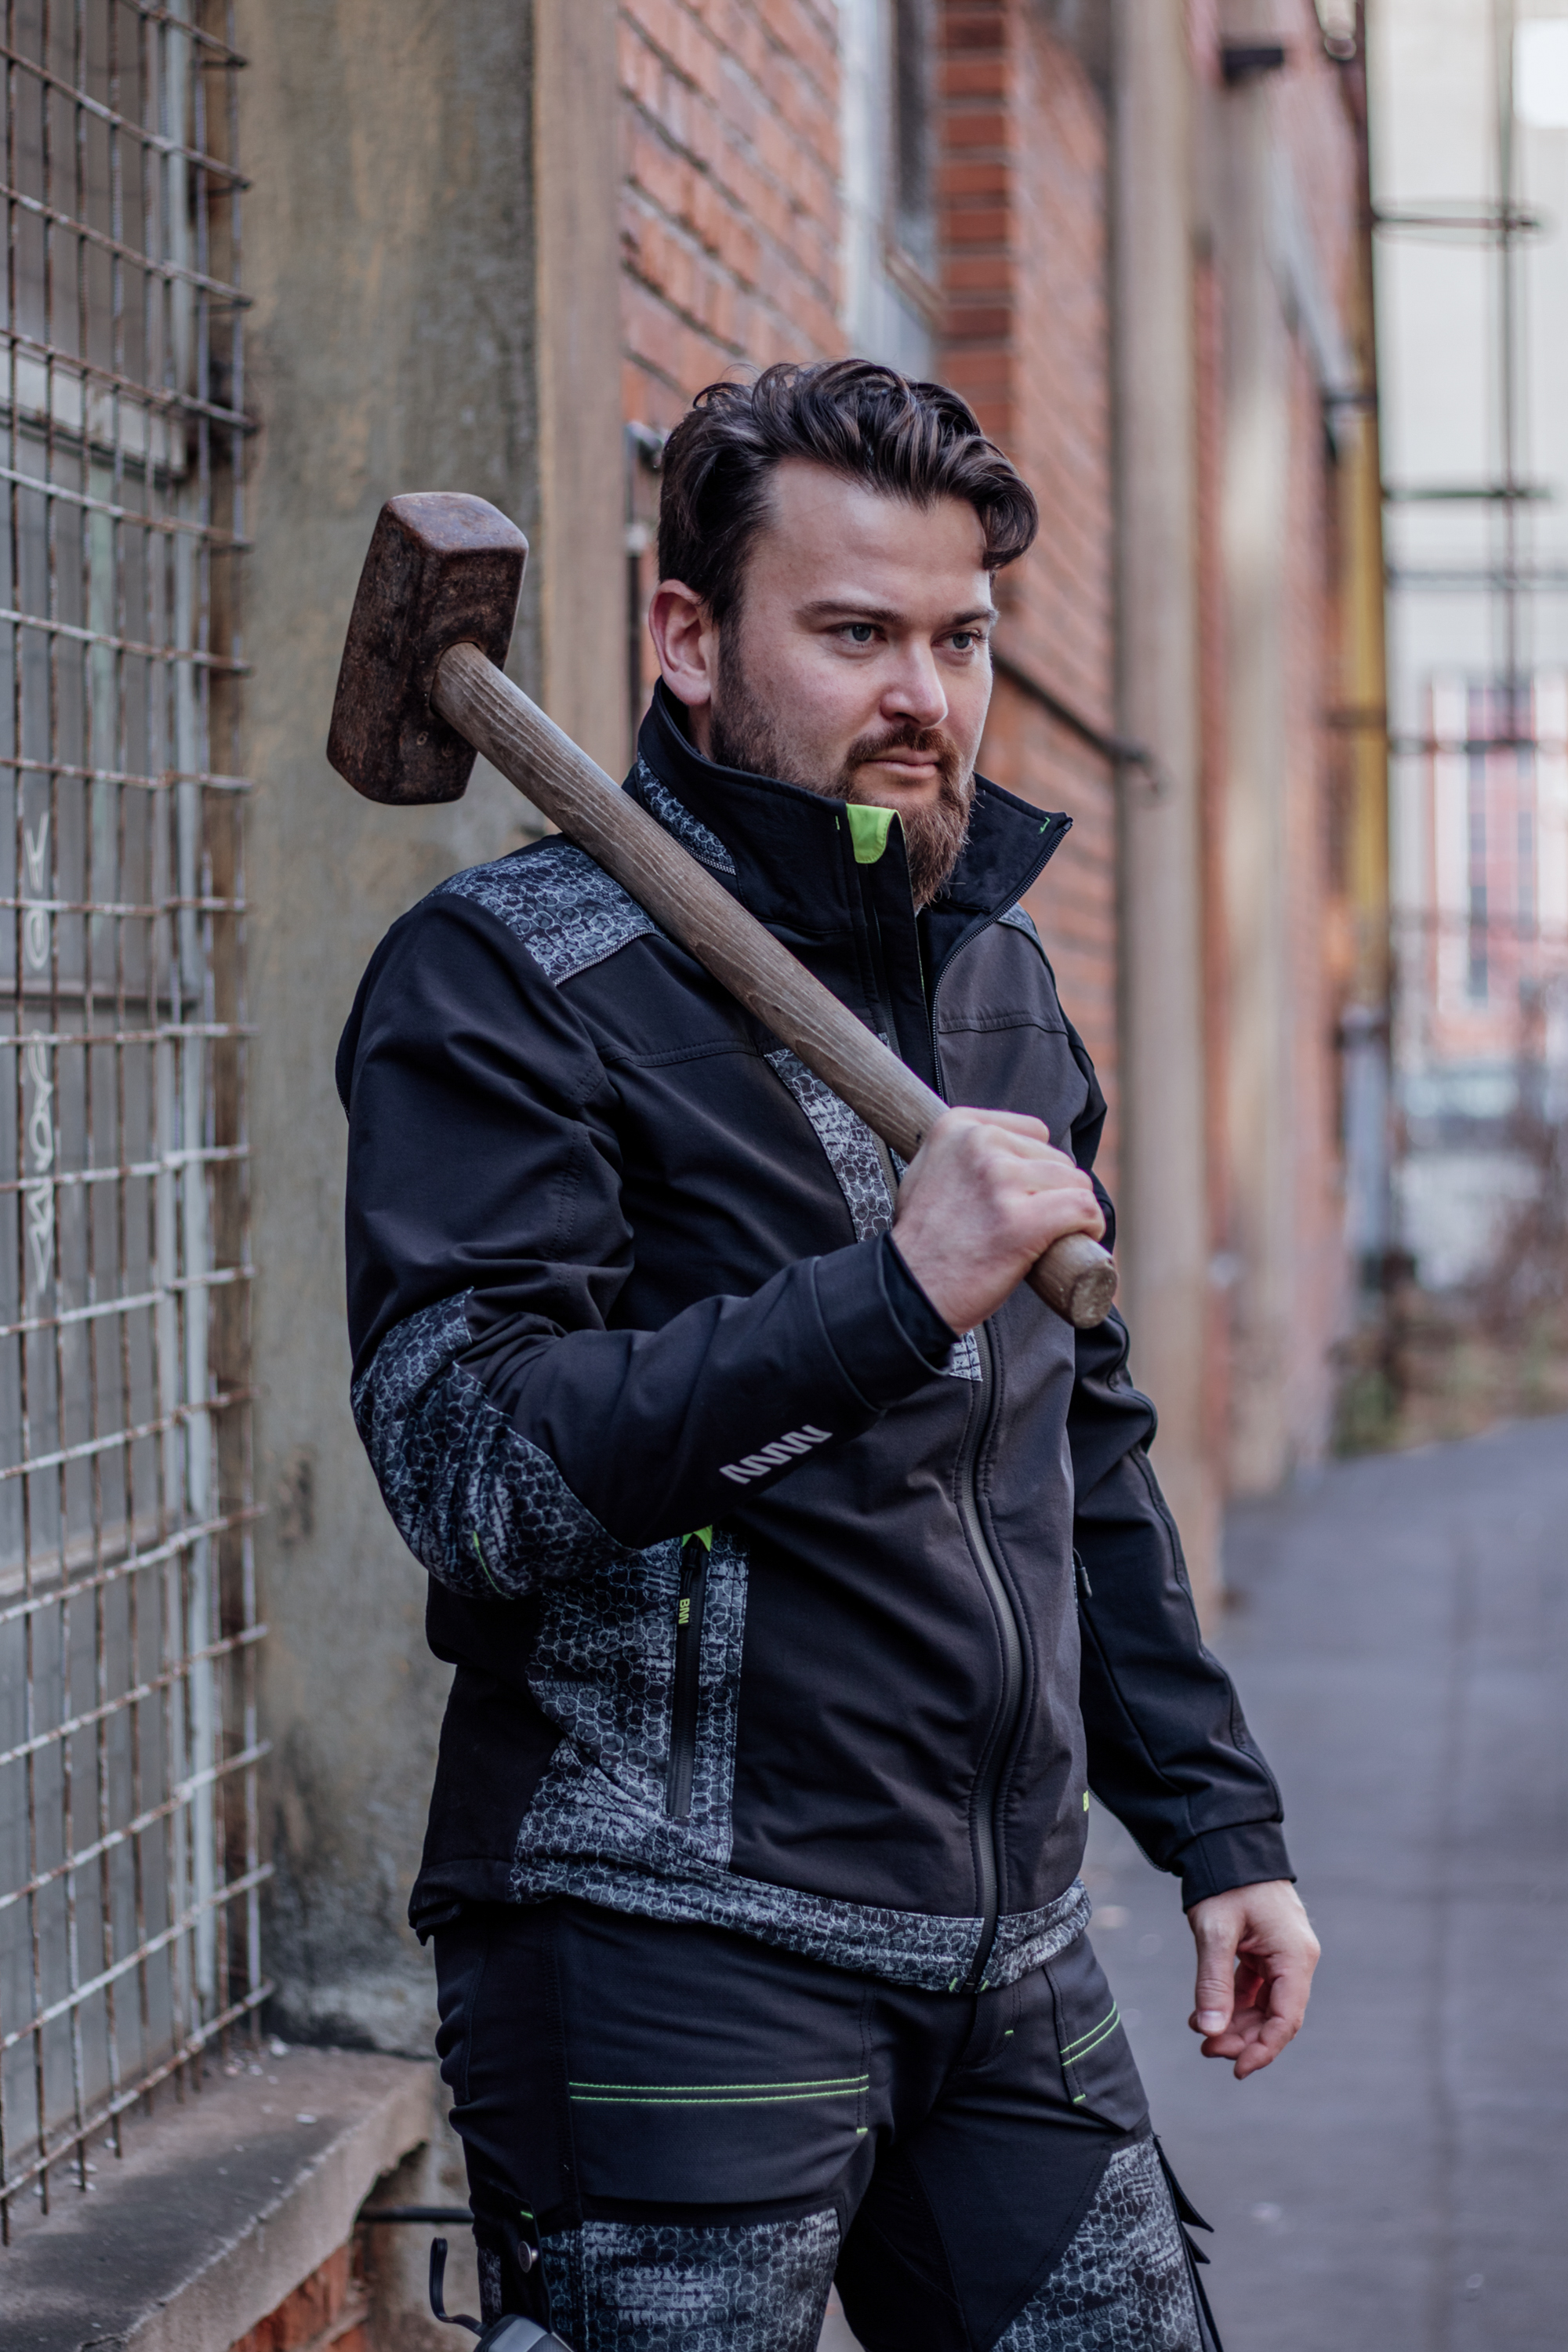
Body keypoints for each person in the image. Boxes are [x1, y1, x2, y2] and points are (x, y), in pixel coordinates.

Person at [337, 359, 1319, 2352]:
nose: (924, 697)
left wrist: (1218, 1828)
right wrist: (891, 1293)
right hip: (667, 1948)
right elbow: (474, 1466)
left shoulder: (994, 980)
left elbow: (1079, 1450)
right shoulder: (506, 980)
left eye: (960, 639)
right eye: (857, 633)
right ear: (689, 639)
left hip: (1006, 1946)